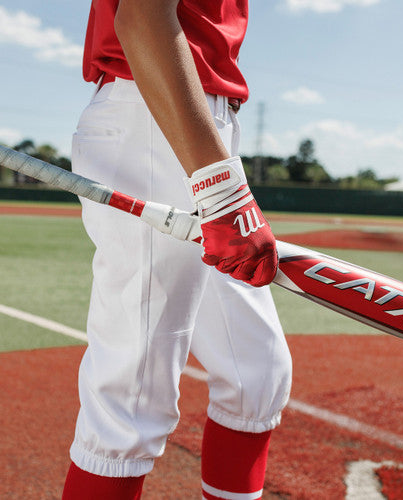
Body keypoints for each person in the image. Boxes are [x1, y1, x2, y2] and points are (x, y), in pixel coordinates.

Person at [61, 1, 293, 499]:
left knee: (257, 371)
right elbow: (142, 16)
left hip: (190, 123)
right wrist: (221, 188)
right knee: (132, 405)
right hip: (155, 111)